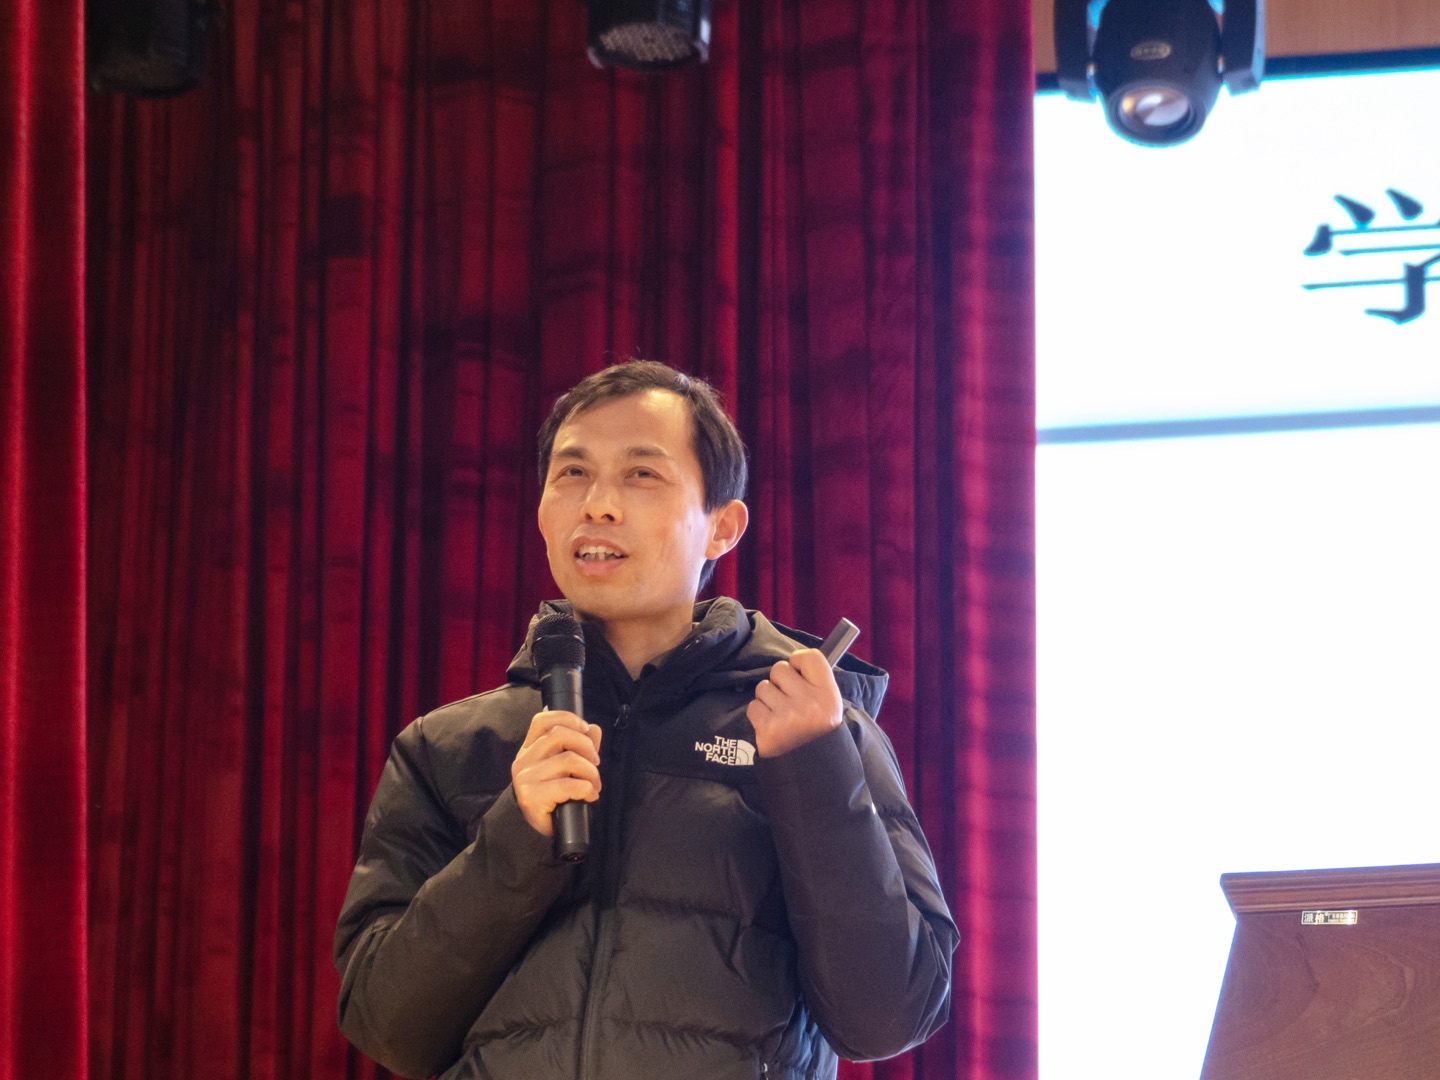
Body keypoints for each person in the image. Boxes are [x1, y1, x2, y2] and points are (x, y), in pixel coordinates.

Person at [333, 360, 957, 1080]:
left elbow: (888, 1015)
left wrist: (816, 772)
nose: (597, 504)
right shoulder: (446, 748)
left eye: (641, 474)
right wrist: (516, 837)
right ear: (542, 512)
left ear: (722, 527)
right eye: (572, 474)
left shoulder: (815, 729)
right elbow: (385, 1027)